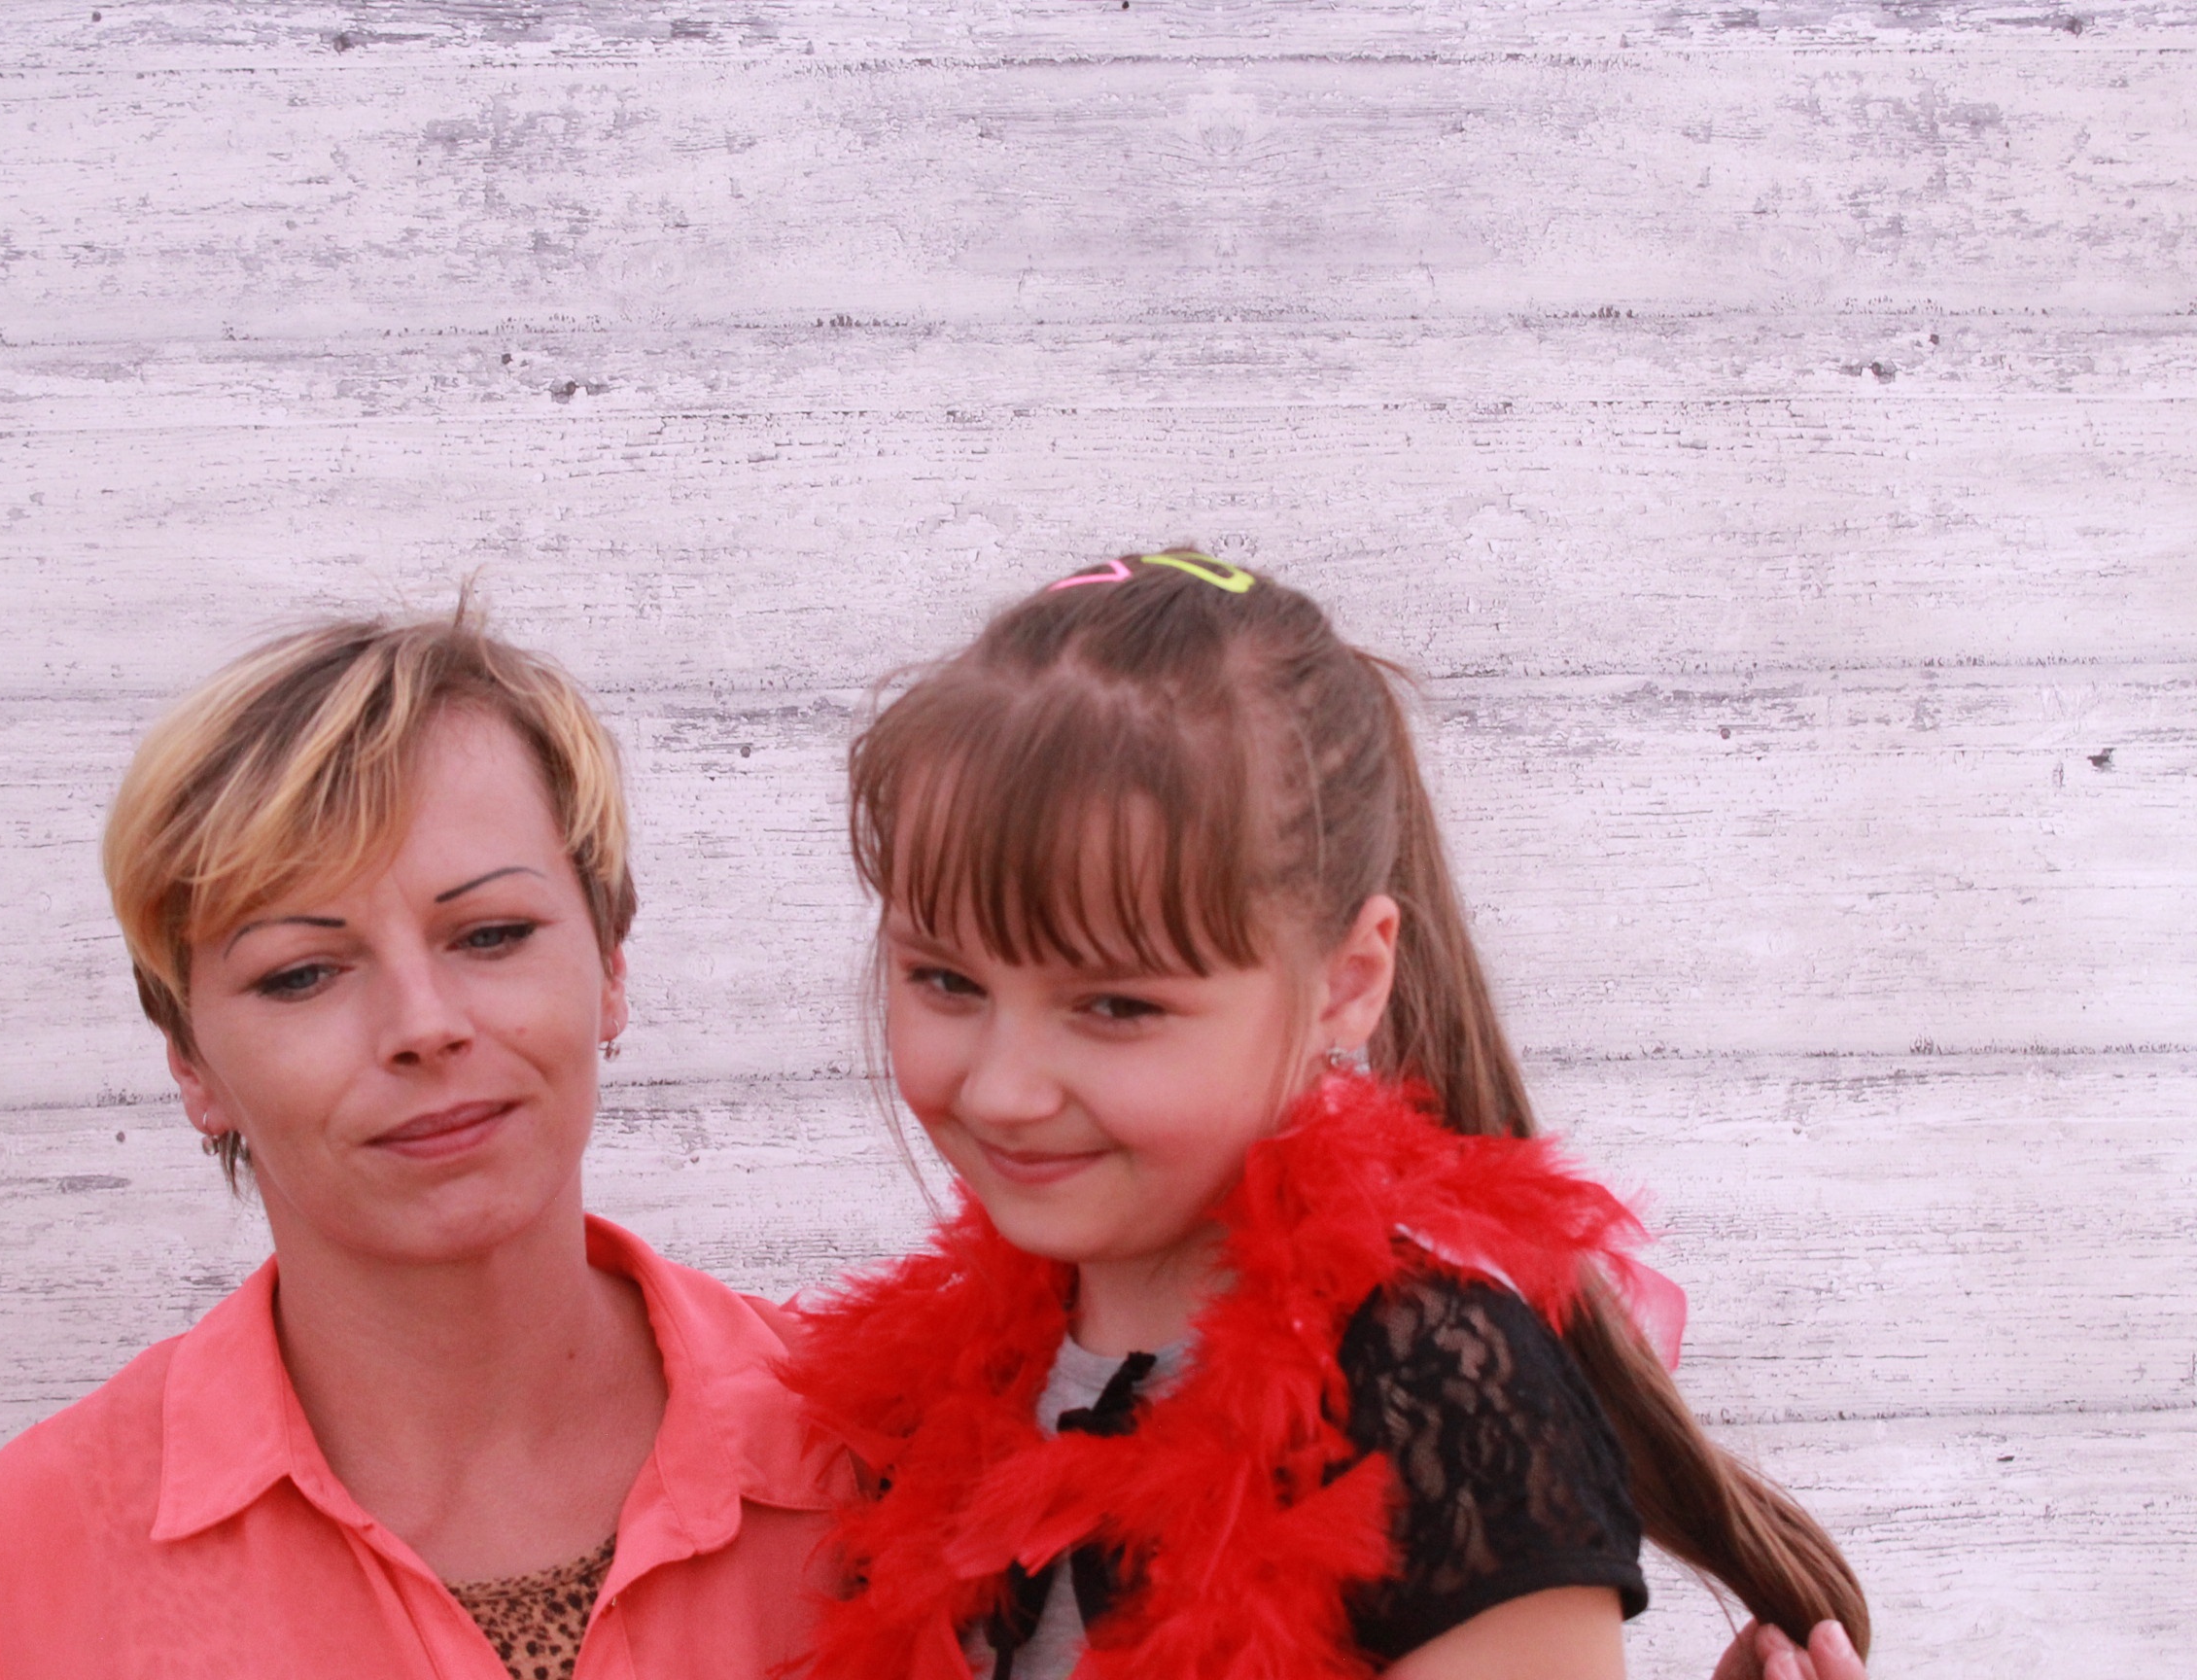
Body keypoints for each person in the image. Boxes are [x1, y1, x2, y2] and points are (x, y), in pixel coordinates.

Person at [783, 552, 1875, 1680]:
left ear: (1348, 983)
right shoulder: (949, 1394)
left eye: (1116, 1005)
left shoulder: (1433, 1400)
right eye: (946, 982)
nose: (1004, 1090)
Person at [0, 612, 855, 1680]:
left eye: (491, 934)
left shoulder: (890, 1460)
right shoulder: (3, 1587)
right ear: (192, 1063)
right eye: (302, 974)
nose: (423, 1025)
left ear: (611, 965)